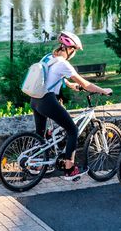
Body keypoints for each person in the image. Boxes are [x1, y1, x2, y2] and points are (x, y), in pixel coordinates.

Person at [30, 31, 112, 181]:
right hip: (47, 100)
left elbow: (50, 76)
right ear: (70, 49)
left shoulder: (49, 57)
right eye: (74, 51)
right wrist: (103, 90)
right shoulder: (64, 64)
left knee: (40, 134)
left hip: (35, 99)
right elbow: (86, 84)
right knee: (73, 130)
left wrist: (69, 84)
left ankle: (36, 164)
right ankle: (69, 169)